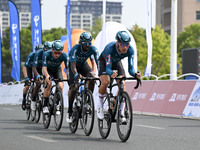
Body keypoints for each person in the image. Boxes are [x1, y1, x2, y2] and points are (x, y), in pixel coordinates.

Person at [97, 30, 141, 120]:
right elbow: (108, 69)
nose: (125, 47)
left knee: (122, 84)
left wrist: (135, 74)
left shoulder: (130, 50)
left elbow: (131, 69)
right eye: (122, 45)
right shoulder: (110, 48)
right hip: (104, 62)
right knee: (106, 82)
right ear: (117, 43)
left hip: (116, 62)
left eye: (127, 44)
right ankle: (100, 105)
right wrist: (111, 73)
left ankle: (121, 112)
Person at [66, 32, 99, 123]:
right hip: (74, 67)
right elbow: (72, 65)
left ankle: (88, 102)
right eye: (85, 43)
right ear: (81, 43)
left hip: (84, 65)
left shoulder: (93, 49)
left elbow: (98, 62)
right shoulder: (75, 49)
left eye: (89, 43)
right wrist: (76, 74)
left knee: (92, 78)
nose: (87, 45)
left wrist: (98, 73)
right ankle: (69, 111)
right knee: (74, 87)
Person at [42, 40, 68, 114]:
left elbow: (67, 69)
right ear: (52, 50)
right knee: (49, 84)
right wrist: (47, 76)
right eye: (55, 52)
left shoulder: (64, 55)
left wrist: (68, 76)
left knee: (60, 86)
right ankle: (45, 106)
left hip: (57, 70)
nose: (57, 55)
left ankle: (57, 104)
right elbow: (44, 68)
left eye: (59, 53)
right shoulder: (46, 54)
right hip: (48, 70)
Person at [31, 42, 52, 111]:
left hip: (45, 69)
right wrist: (37, 75)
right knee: (38, 83)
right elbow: (34, 67)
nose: (48, 52)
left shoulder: (51, 54)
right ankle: (33, 99)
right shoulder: (38, 54)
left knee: (48, 81)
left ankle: (47, 97)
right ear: (43, 49)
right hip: (38, 69)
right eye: (46, 51)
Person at [21, 45, 40, 110]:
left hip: (37, 69)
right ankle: (24, 100)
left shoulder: (43, 56)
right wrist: (26, 77)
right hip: (29, 68)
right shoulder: (31, 56)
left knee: (40, 82)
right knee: (27, 85)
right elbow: (25, 67)